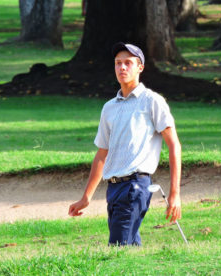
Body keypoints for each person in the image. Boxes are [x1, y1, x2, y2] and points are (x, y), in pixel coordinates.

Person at [68, 42, 182, 246]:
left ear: (140, 67)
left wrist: (175, 194)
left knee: (118, 249)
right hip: (113, 189)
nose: (122, 68)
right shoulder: (109, 108)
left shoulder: (152, 101)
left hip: (136, 186)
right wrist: (86, 197)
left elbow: (174, 145)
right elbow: (102, 153)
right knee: (128, 250)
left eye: (128, 63)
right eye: (118, 63)